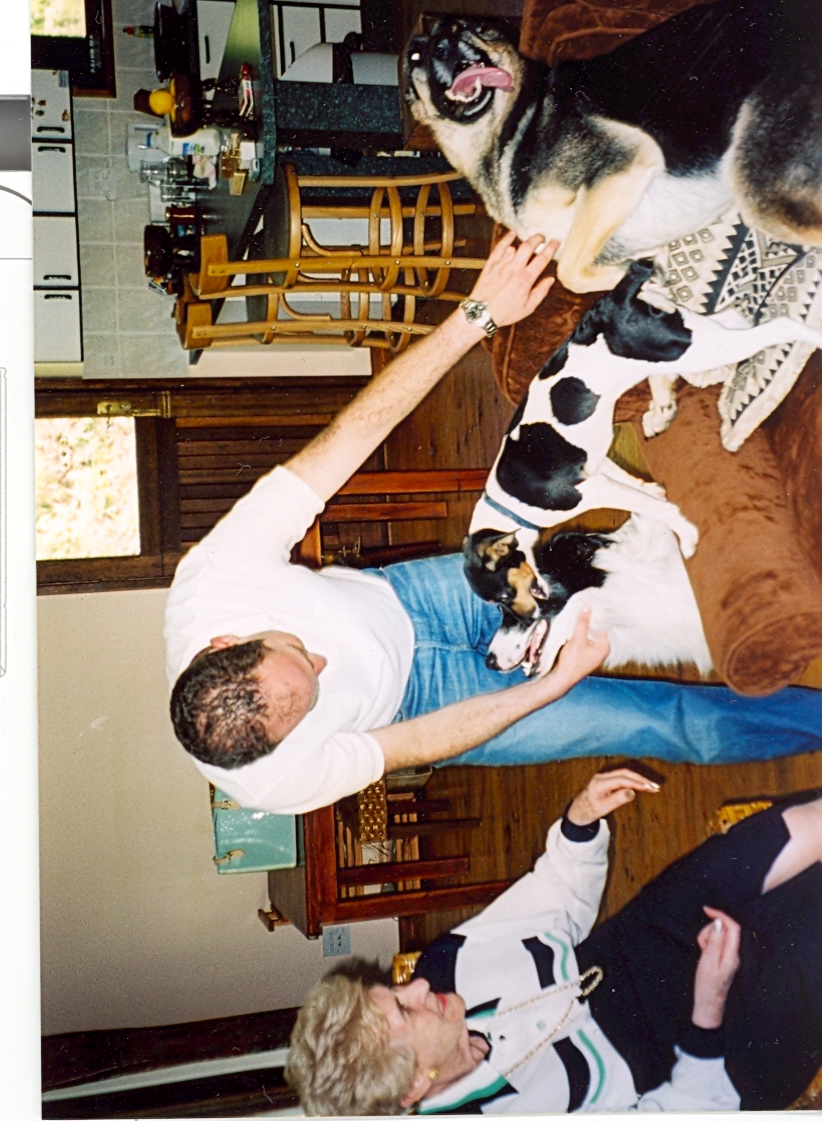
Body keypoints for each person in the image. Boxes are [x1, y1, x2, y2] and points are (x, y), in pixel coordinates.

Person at [164, 233, 822, 815]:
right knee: (654, 722)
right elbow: (417, 743)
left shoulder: (218, 577)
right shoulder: (273, 782)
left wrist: (475, 315)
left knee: (587, 560)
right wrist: (554, 683)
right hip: (425, 707)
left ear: (223, 641)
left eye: (297, 652)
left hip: (411, 600)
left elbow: (351, 435)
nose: (322, 657)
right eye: (314, 687)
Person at [286, 770, 822, 1114]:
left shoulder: (448, 967)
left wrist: (579, 823)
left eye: (395, 989)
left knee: (766, 843)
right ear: (411, 1089)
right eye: (407, 1010)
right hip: (709, 1060)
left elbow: (555, 899)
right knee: (804, 942)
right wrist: (708, 1009)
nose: (422, 982)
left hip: (643, 946)